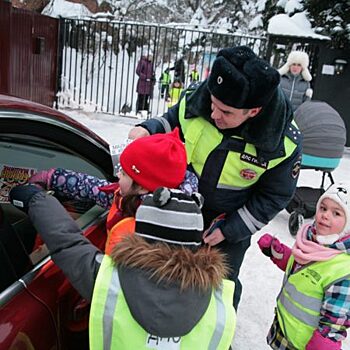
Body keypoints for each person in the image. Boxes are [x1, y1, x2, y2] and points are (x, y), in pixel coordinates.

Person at [128, 45, 303, 309]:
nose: (213, 115)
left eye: (226, 112)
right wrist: (149, 128)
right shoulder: (202, 96)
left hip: (228, 222)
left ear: (253, 111)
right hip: (180, 205)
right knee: (163, 275)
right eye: (213, 104)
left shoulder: (283, 143)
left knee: (220, 288)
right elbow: (172, 120)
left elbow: (274, 196)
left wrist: (230, 230)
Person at [9, 185, 236, 349]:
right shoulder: (220, 307)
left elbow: (67, 243)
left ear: (141, 235)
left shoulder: (110, 279)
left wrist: (36, 199)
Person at [28, 129, 196, 255]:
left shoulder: (148, 234)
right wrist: (54, 178)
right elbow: (93, 188)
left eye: (123, 173)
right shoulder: (132, 197)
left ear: (143, 187)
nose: (117, 175)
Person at [258, 184, 350, 350]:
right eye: (323, 208)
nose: (325, 215)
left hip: (304, 345)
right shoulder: (310, 241)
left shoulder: (344, 271)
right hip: (284, 331)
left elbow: (333, 325)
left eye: (336, 213)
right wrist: (278, 253)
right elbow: (302, 271)